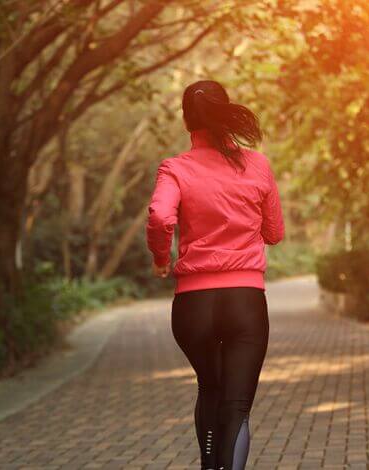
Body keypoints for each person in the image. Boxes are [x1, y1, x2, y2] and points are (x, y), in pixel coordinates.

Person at [145, 79, 285, 470]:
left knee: (210, 387)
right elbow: (274, 233)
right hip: (245, 301)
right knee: (236, 405)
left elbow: (159, 216)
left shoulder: (175, 168)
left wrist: (161, 258)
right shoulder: (256, 164)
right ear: (225, 112)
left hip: (193, 306)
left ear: (187, 122)